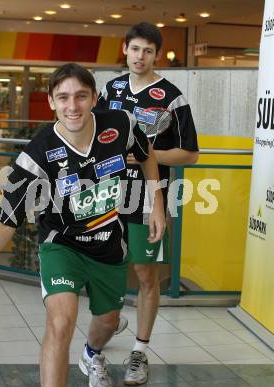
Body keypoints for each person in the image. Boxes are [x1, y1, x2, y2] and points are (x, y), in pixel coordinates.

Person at [0, 63, 166, 387]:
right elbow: (6, 221)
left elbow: (146, 155)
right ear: (51, 102)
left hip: (108, 247)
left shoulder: (121, 123)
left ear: (94, 98)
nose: (72, 105)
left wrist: (157, 204)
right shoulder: (37, 155)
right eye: (63, 97)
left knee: (107, 322)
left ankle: (92, 353)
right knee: (60, 323)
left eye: (80, 96)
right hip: (62, 246)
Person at [95, 22, 199, 385]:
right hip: (107, 197)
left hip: (147, 198)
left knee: (145, 276)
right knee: (102, 272)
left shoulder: (172, 96)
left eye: (148, 51)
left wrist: (148, 156)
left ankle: (139, 351)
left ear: (157, 54)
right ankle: (111, 320)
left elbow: (190, 155)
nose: (141, 57)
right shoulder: (111, 89)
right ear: (125, 49)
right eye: (135, 49)